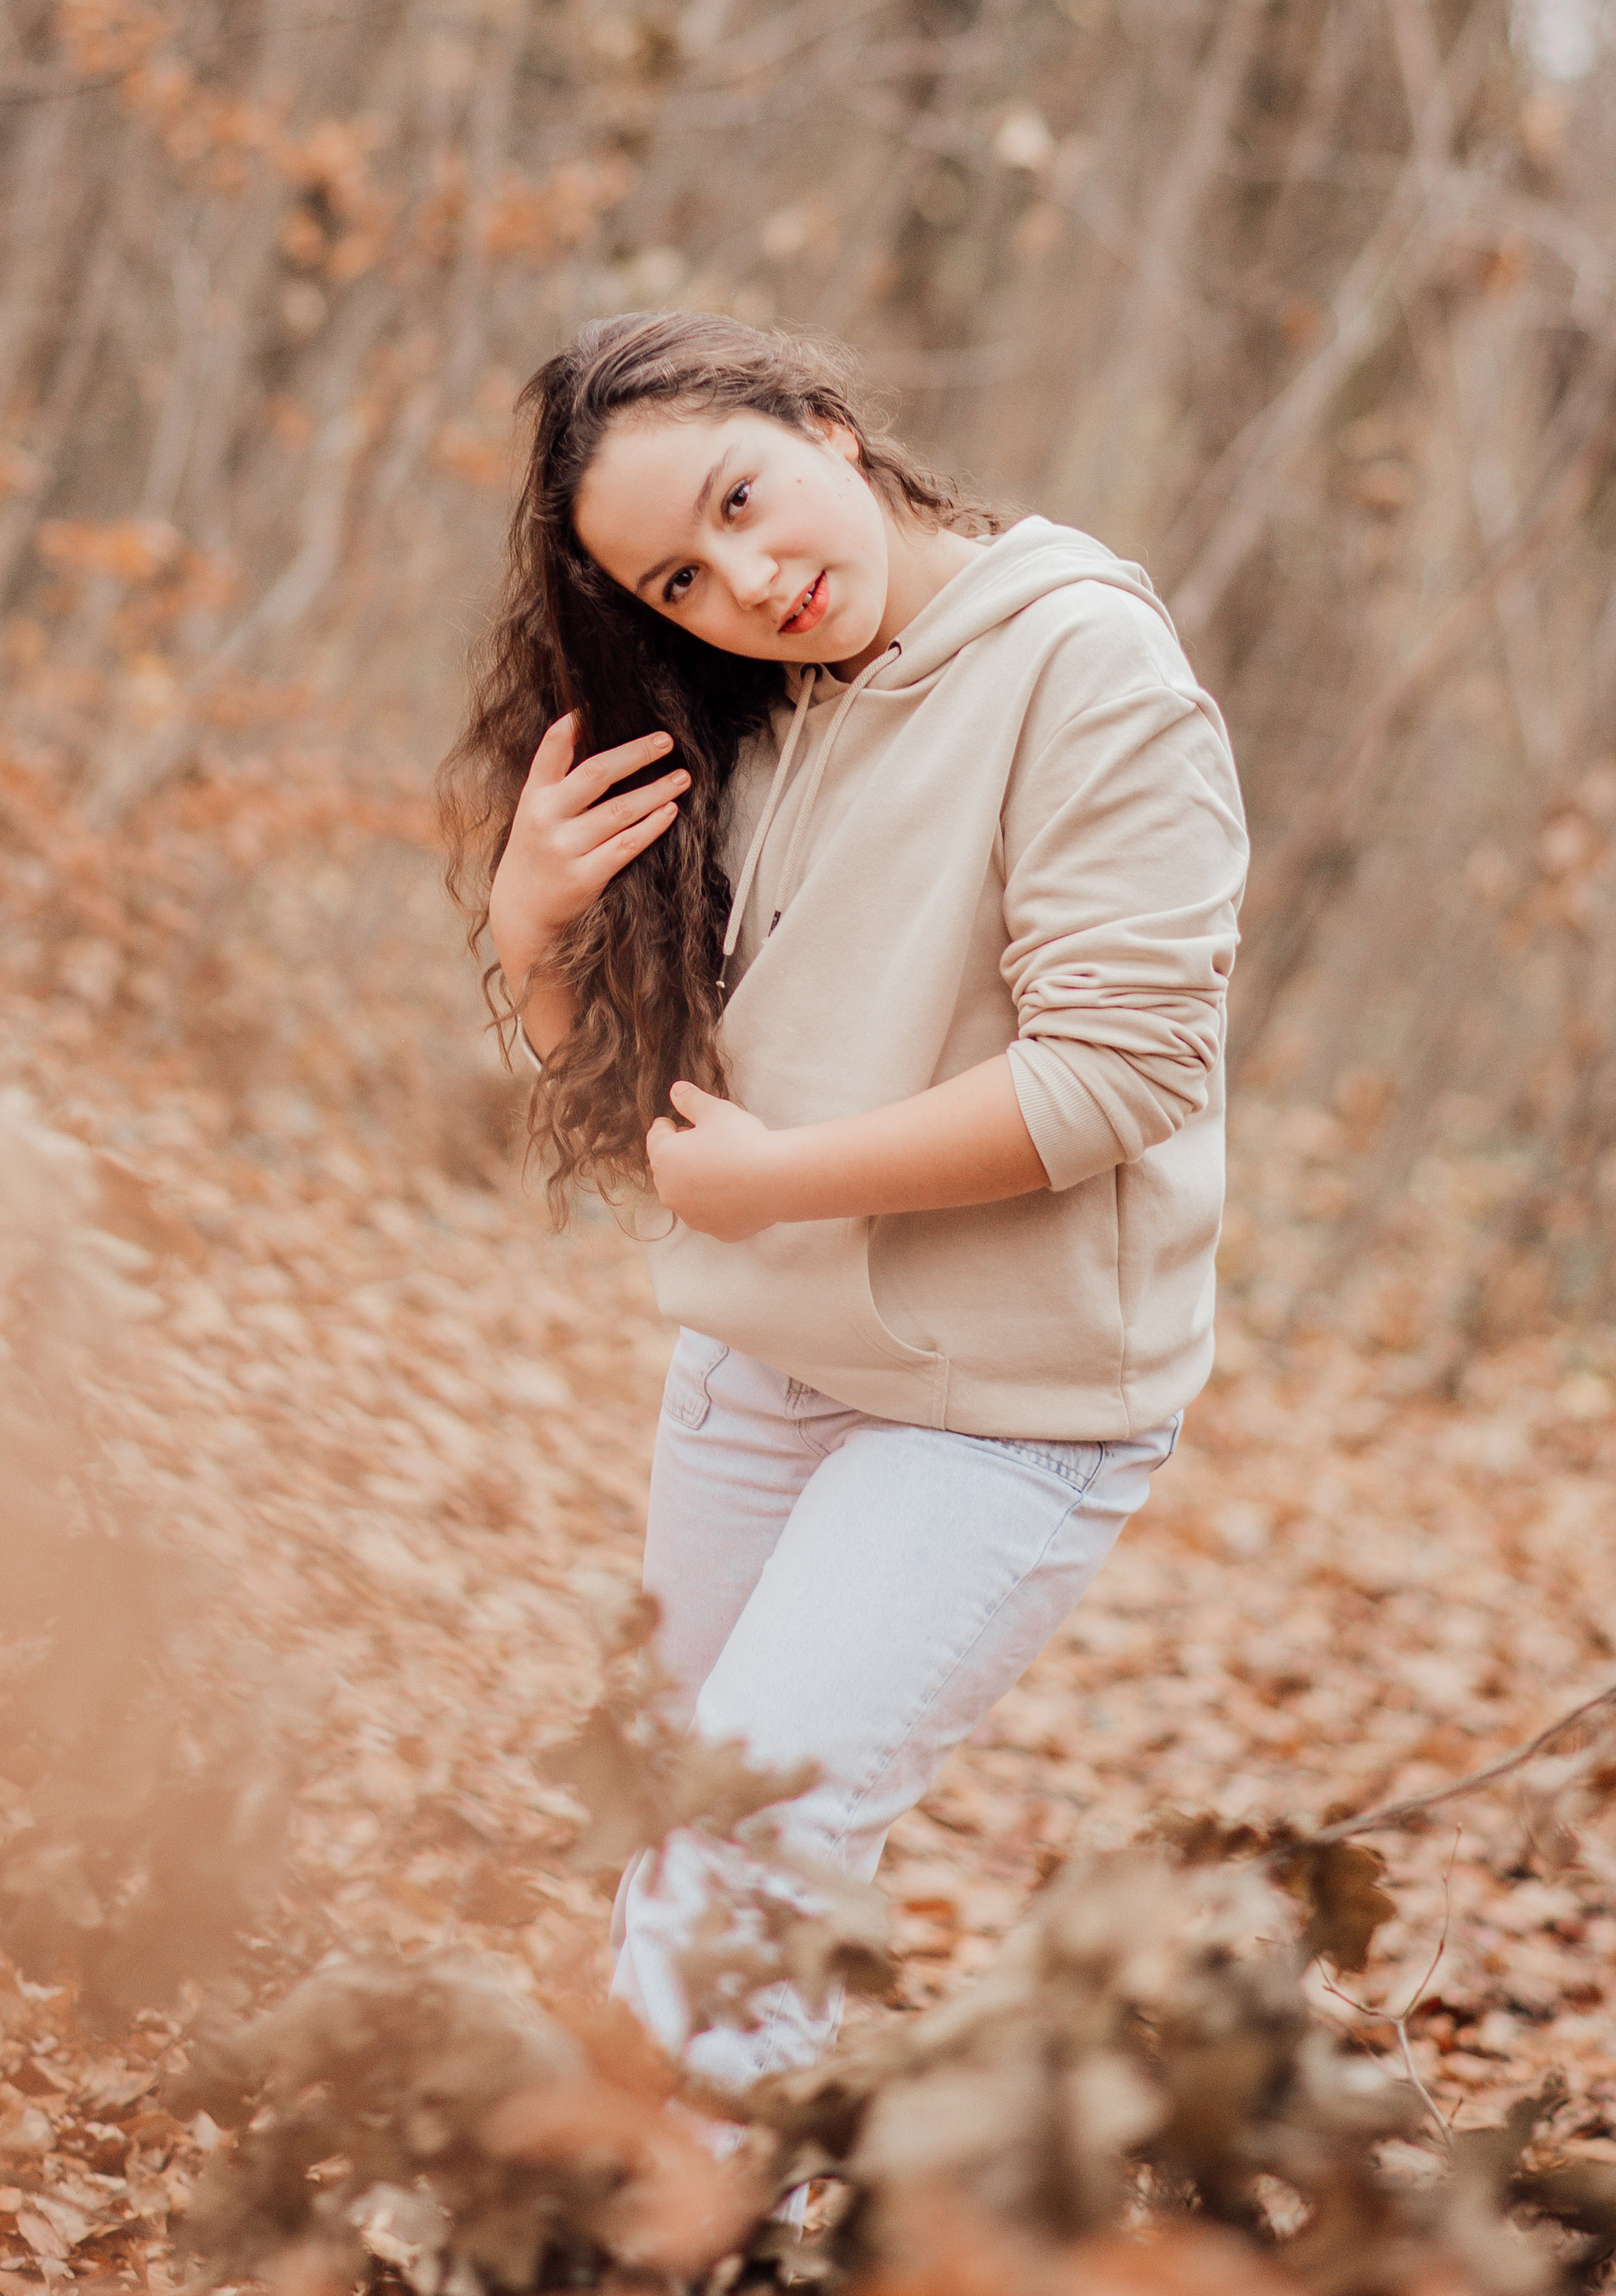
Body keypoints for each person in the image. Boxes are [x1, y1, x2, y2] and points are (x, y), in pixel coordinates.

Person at [439, 312, 1249, 2093]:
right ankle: (675, 2218)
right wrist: (531, 932)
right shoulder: (754, 711)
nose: (746, 578)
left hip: (997, 1411)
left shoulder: (1079, 663)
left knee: (744, 1864)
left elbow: (1117, 1078)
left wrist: (779, 1184)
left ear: (821, 420)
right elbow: (638, 1112)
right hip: (759, 1370)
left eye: (744, 497)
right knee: (682, 1842)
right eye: (681, 575)